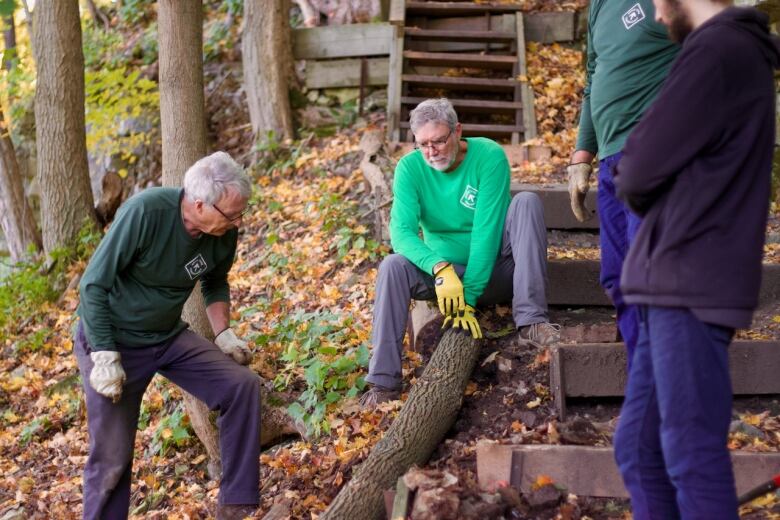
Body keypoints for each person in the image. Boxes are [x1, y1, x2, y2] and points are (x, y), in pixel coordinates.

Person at [611, 1, 779, 517]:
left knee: (688, 451)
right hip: (677, 278)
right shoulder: (726, 52)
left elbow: (637, 168)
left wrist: (643, 176)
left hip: (690, 278)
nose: (658, 15)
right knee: (639, 450)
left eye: (662, 1)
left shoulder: (717, 51)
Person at [75, 152, 260, 520]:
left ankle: (237, 505)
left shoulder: (223, 231)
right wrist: (104, 354)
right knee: (112, 456)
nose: (239, 221)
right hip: (113, 342)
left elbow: (214, 279)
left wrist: (224, 333)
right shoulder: (146, 213)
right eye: (232, 214)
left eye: (242, 212)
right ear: (199, 204)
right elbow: (92, 285)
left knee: (242, 386)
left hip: (167, 336)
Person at [360, 98, 560, 406]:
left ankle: (532, 321)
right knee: (392, 266)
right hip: (445, 280)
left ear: (458, 131)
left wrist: (467, 298)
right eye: (423, 144)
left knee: (526, 203)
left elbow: (486, 232)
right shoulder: (410, 169)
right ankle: (383, 383)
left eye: (439, 140)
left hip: (498, 269)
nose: (431, 151)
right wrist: (439, 268)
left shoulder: (488, 156)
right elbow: (401, 233)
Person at [568, 0, 679, 365]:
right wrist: (582, 155)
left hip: (655, 149)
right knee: (616, 276)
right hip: (612, 160)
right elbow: (593, 78)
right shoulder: (600, 5)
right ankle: (644, 380)